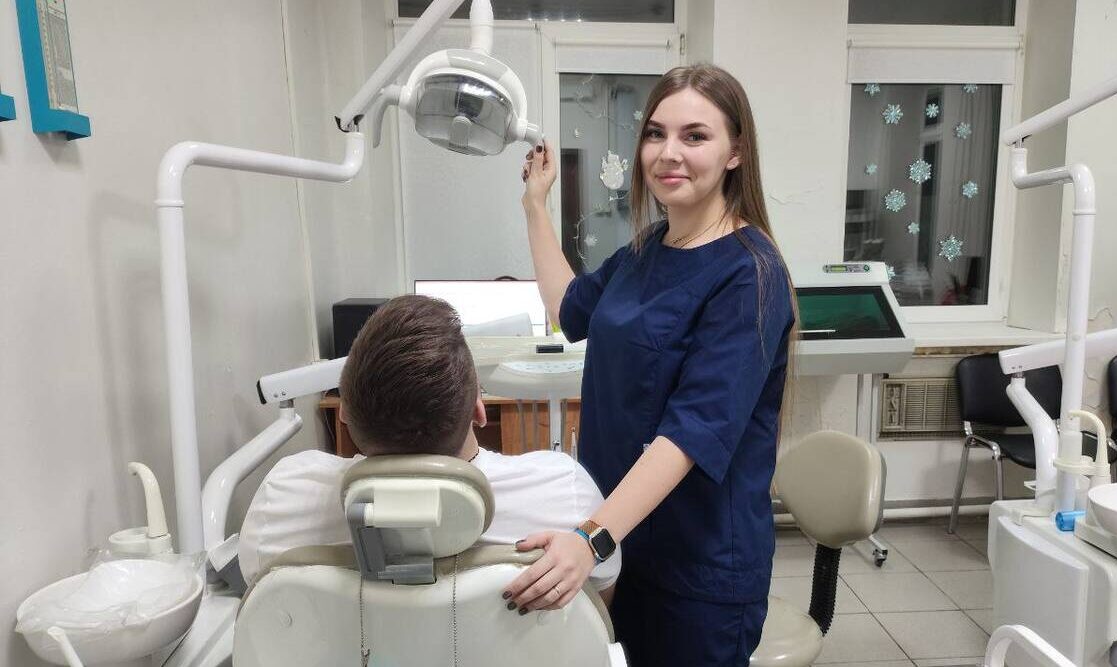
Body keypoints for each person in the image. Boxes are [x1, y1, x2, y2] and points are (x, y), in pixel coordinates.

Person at [504, 64, 796, 666]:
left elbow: (692, 433)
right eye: (656, 134)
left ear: (736, 152)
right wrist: (535, 204)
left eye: (695, 136)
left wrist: (590, 537)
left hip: (696, 567)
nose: (669, 153)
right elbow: (569, 309)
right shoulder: (643, 251)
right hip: (620, 543)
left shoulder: (750, 274)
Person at [238, 295, 620, 602]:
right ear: (478, 409)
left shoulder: (283, 497)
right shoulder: (565, 495)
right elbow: (598, 616)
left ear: (345, 416)